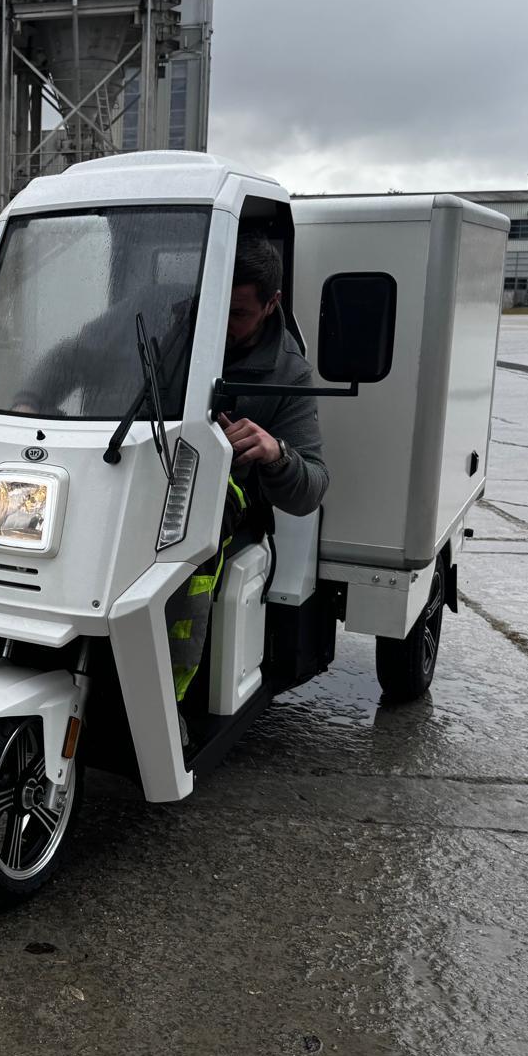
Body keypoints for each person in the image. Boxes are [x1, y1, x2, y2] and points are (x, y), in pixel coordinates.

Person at [167, 235, 329, 730]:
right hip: (146, 483)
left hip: (225, 509)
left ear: (271, 304)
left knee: (189, 560)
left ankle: (174, 701)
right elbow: (86, 349)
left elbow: (312, 487)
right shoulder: (173, 329)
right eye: (216, 307)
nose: (222, 325)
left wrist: (274, 452)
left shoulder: (290, 374)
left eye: (237, 313)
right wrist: (30, 396)